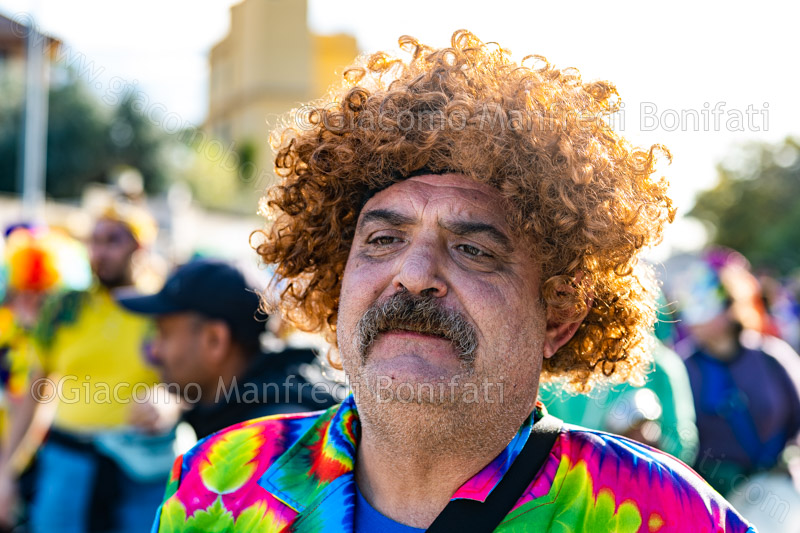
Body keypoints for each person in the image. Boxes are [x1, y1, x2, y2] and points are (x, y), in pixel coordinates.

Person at [151, 31, 755, 532]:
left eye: (472, 249)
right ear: (338, 282)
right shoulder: (217, 488)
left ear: (560, 315)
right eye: (383, 241)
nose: (414, 277)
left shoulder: (662, 515)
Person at [1, 203, 176, 533]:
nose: (100, 251)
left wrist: (168, 402)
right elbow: (35, 394)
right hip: (67, 464)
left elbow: (186, 383)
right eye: (94, 241)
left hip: (140, 469)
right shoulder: (62, 309)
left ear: (141, 247)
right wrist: (6, 471)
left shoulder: (162, 310)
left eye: (113, 241)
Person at [117, 259, 336, 441]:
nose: (154, 350)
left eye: (164, 333)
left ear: (215, 340)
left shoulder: (271, 440)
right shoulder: (269, 398)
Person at [672, 249, 800, 497]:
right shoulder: (683, 366)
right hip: (713, 499)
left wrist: (791, 456)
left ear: (729, 307)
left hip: (779, 493)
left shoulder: (771, 356)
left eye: (704, 304)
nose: (693, 317)